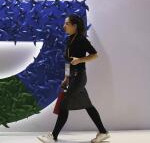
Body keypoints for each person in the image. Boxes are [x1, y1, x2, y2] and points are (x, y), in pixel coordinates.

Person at [37, 14, 110, 143]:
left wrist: (80, 60)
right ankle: (103, 132)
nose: (63, 26)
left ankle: (53, 136)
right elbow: (68, 61)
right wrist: (66, 77)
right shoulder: (69, 39)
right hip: (73, 77)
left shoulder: (81, 39)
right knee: (88, 106)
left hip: (80, 77)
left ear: (74, 26)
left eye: (66, 23)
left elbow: (95, 55)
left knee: (64, 105)